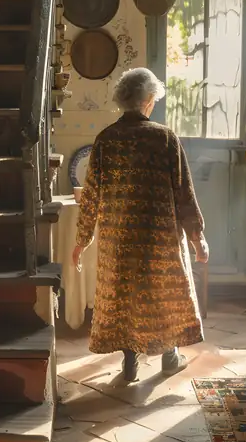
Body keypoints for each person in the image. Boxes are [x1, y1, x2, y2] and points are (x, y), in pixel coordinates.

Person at [72, 67, 209, 383]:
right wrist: (197, 235)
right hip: (159, 237)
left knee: (125, 295)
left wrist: (81, 240)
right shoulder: (164, 138)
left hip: (118, 239)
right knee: (163, 291)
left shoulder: (106, 140)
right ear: (148, 100)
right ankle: (170, 357)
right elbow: (183, 191)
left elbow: (91, 194)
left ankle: (130, 362)